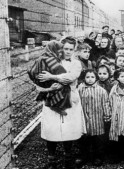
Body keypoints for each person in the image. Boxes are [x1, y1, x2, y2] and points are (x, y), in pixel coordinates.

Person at [37, 36, 86, 169]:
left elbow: (70, 77)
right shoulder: (53, 61)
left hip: (70, 98)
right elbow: (40, 78)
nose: (68, 51)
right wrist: (48, 86)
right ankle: (51, 159)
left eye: (71, 49)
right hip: (51, 98)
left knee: (68, 128)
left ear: (75, 50)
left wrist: (52, 77)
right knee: (51, 127)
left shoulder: (76, 63)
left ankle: (68, 158)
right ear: (61, 48)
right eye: (65, 48)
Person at [76, 69, 111, 167]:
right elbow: (76, 103)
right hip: (84, 120)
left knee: (98, 141)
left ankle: (98, 157)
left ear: (96, 78)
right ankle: (84, 156)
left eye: (92, 77)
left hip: (97, 120)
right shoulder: (80, 89)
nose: (90, 79)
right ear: (84, 78)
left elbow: (106, 104)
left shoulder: (101, 91)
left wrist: (107, 116)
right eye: (87, 77)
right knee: (84, 140)